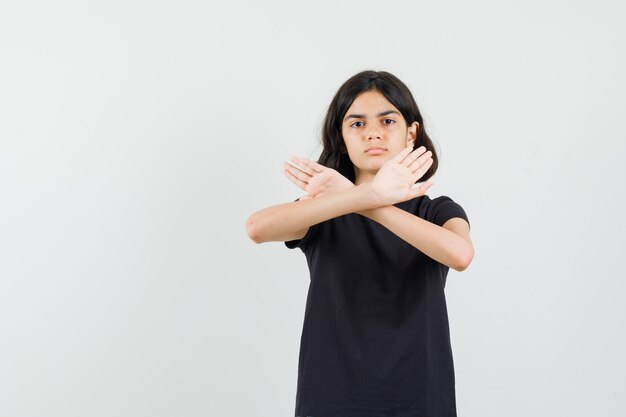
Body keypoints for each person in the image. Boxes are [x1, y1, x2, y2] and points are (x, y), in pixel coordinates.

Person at [246, 70, 474, 417]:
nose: (372, 132)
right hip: (331, 398)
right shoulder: (324, 212)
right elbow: (257, 228)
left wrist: (366, 200)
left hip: (420, 397)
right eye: (356, 124)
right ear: (341, 135)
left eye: (387, 120)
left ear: (411, 133)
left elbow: (459, 255)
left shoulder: (438, 209)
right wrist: (365, 195)